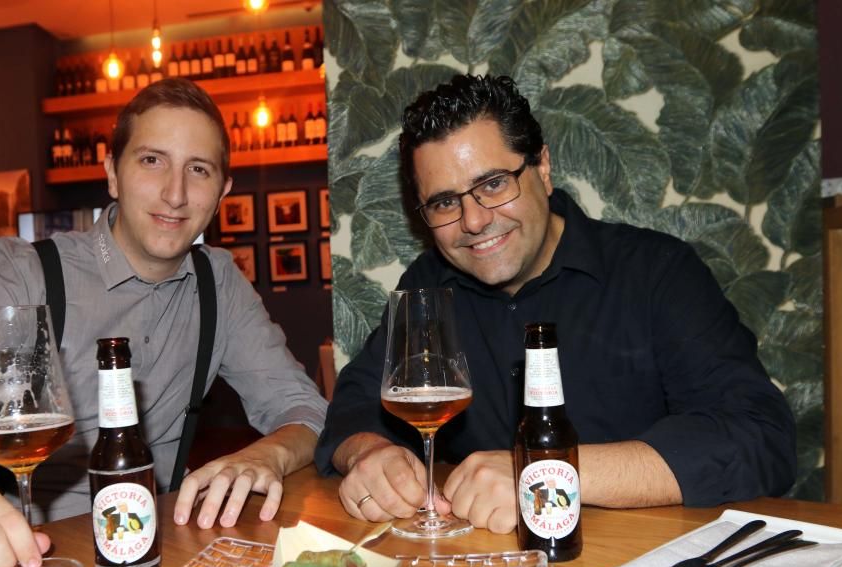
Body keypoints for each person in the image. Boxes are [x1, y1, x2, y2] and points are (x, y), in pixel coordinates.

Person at [0, 78, 328, 567]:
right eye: (151, 160)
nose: (175, 192)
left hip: (161, 561)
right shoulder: (28, 280)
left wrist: (265, 456)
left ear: (222, 191)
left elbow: (308, 410)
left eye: (199, 169)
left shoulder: (221, 284)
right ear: (112, 175)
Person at [315, 74, 796, 534]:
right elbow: (357, 403)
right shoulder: (428, 285)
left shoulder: (658, 271)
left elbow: (760, 438)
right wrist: (367, 454)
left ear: (542, 168)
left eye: (494, 183)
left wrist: (546, 472)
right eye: (445, 202)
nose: (475, 220)